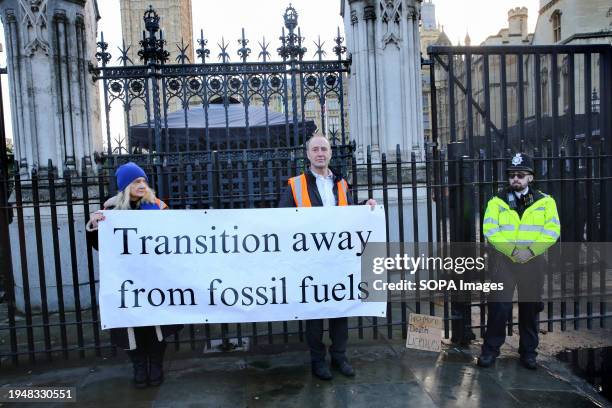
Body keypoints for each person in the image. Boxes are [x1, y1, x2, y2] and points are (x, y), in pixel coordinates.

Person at [278, 133, 376, 380]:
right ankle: (317, 360)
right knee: (314, 313)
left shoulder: (341, 183)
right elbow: (281, 220)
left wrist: (365, 205)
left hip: (338, 259)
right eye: (315, 150)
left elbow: (350, 213)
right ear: (308, 154)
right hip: (310, 260)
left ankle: (340, 356)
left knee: (340, 309)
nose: (320, 153)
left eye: (324, 149)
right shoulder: (295, 184)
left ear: (330, 153)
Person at [86, 162, 182, 388]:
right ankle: (139, 367)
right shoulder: (110, 212)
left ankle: (156, 366)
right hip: (126, 279)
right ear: (125, 186)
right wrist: (94, 224)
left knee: (155, 325)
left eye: (144, 181)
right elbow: (99, 245)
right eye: (136, 181)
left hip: (154, 277)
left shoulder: (158, 207)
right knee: (131, 325)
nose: (142, 185)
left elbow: (176, 237)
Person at [477, 153, 560, 370]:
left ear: (530, 178)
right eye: (512, 175)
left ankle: (528, 352)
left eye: (520, 175)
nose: (516, 179)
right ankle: (490, 351)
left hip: (533, 262)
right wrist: (513, 251)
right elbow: (490, 230)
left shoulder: (545, 202)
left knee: (530, 307)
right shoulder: (497, 201)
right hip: (504, 260)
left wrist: (530, 251)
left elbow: (552, 231)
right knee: (499, 307)